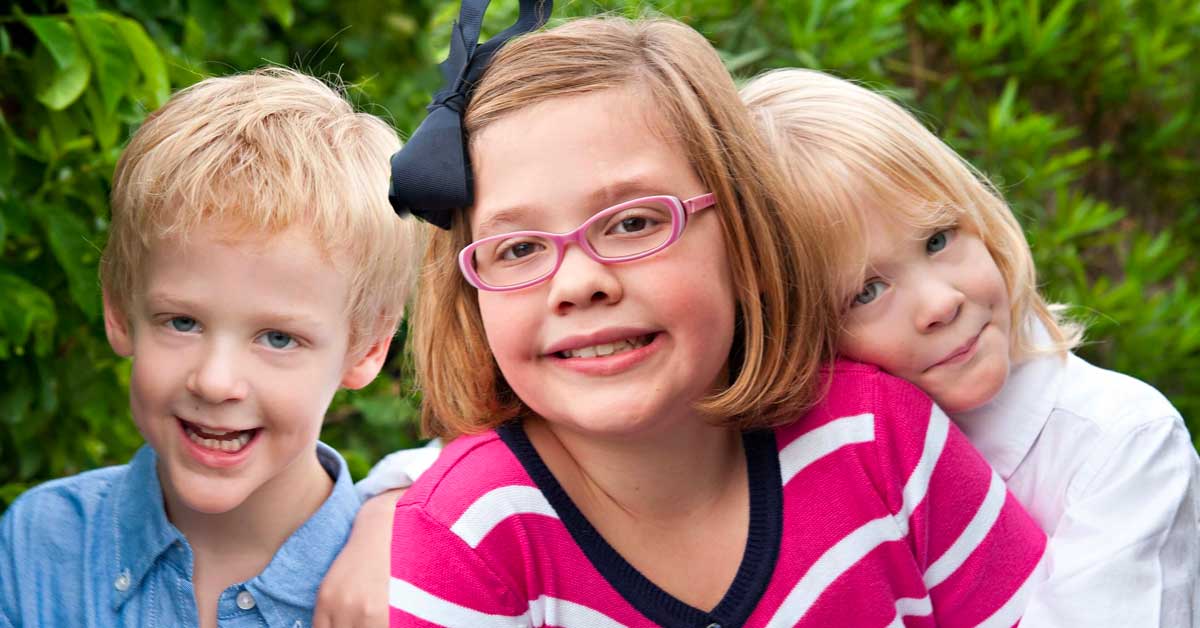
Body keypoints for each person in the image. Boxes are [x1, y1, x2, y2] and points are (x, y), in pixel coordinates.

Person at [385, 14, 1046, 627]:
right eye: (520, 248)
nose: (579, 283)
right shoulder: (470, 535)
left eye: (635, 222)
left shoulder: (880, 439)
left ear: (746, 240)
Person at [739, 68, 1200, 626]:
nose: (940, 303)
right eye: (866, 292)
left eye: (938, 238)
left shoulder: (1122, 444)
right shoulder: (808, 467)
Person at [0, 68, 420, 628]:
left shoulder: (413, 591)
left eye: (278, 337)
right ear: (120, 311)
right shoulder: (39, 544)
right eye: (182, 322)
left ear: (367, 349)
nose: (216, 381)